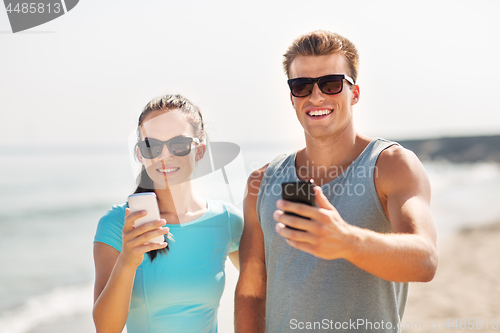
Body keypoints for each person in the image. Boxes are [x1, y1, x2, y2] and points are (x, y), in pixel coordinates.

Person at [235, 31, 438, 332]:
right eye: (302, 86)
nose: (316, 97)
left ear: (354, 93)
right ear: (292, 97)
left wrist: (346, 241)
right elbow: (252, 290)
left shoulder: (391, 165)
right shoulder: (262, 181)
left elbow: (425, 260)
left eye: (331, 84)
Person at [93, 94, 243, 333]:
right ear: (140, 154)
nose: (164, 156)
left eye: (179, 144)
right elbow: (105, 328)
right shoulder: (117, 225)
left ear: (200, 150)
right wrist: (127, 261)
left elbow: (262, 290)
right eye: (151, 146)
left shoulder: (227, 220)